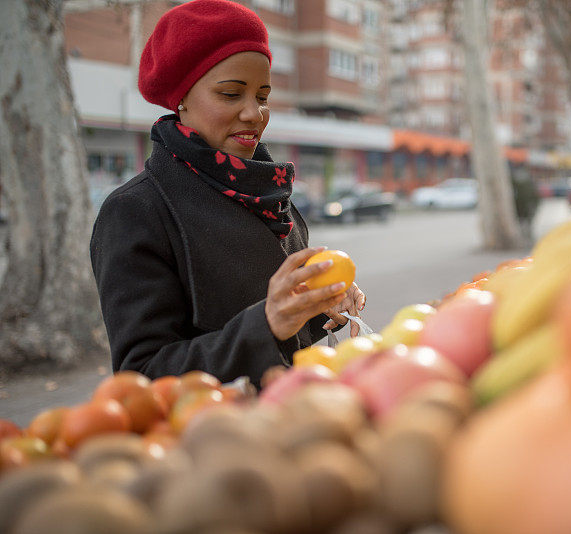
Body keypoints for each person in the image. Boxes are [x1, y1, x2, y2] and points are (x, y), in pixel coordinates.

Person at [90, 0, 365, 387]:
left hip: (302, 416)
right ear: (182, 97)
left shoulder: (269, 192)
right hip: (216, 436)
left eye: (263, 95)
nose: (255, 113)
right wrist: (268, 322)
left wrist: (320, 304)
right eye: (232, 94)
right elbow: (144, 373)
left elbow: (284, 330)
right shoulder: (136, 211)